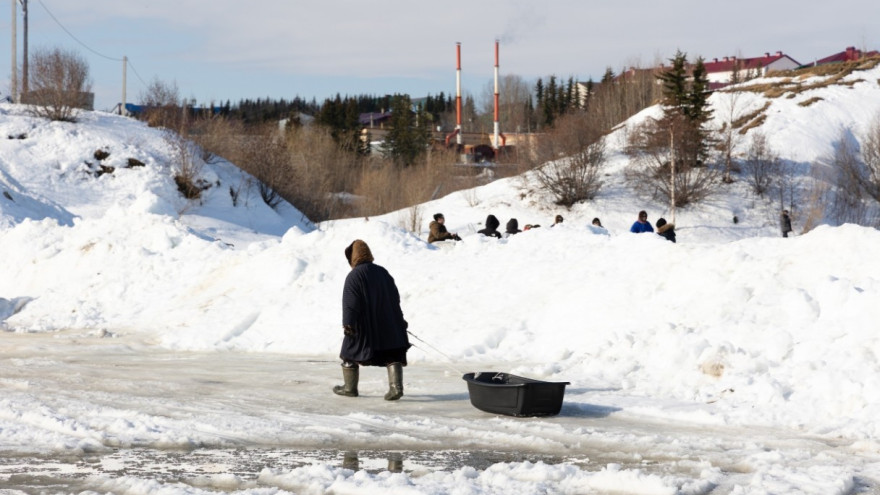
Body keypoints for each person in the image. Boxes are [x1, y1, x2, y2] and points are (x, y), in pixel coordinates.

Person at [336, 240, 411, 401]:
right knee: (392, 352)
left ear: (353, 257)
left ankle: (350, 388)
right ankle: (395, 388)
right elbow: (394, 298)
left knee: (348, 352)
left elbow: (350, 303)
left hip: (365, 325)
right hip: (388, 322)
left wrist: (348, 323)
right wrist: (400, 320)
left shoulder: (354, 275)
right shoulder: (383, 272)